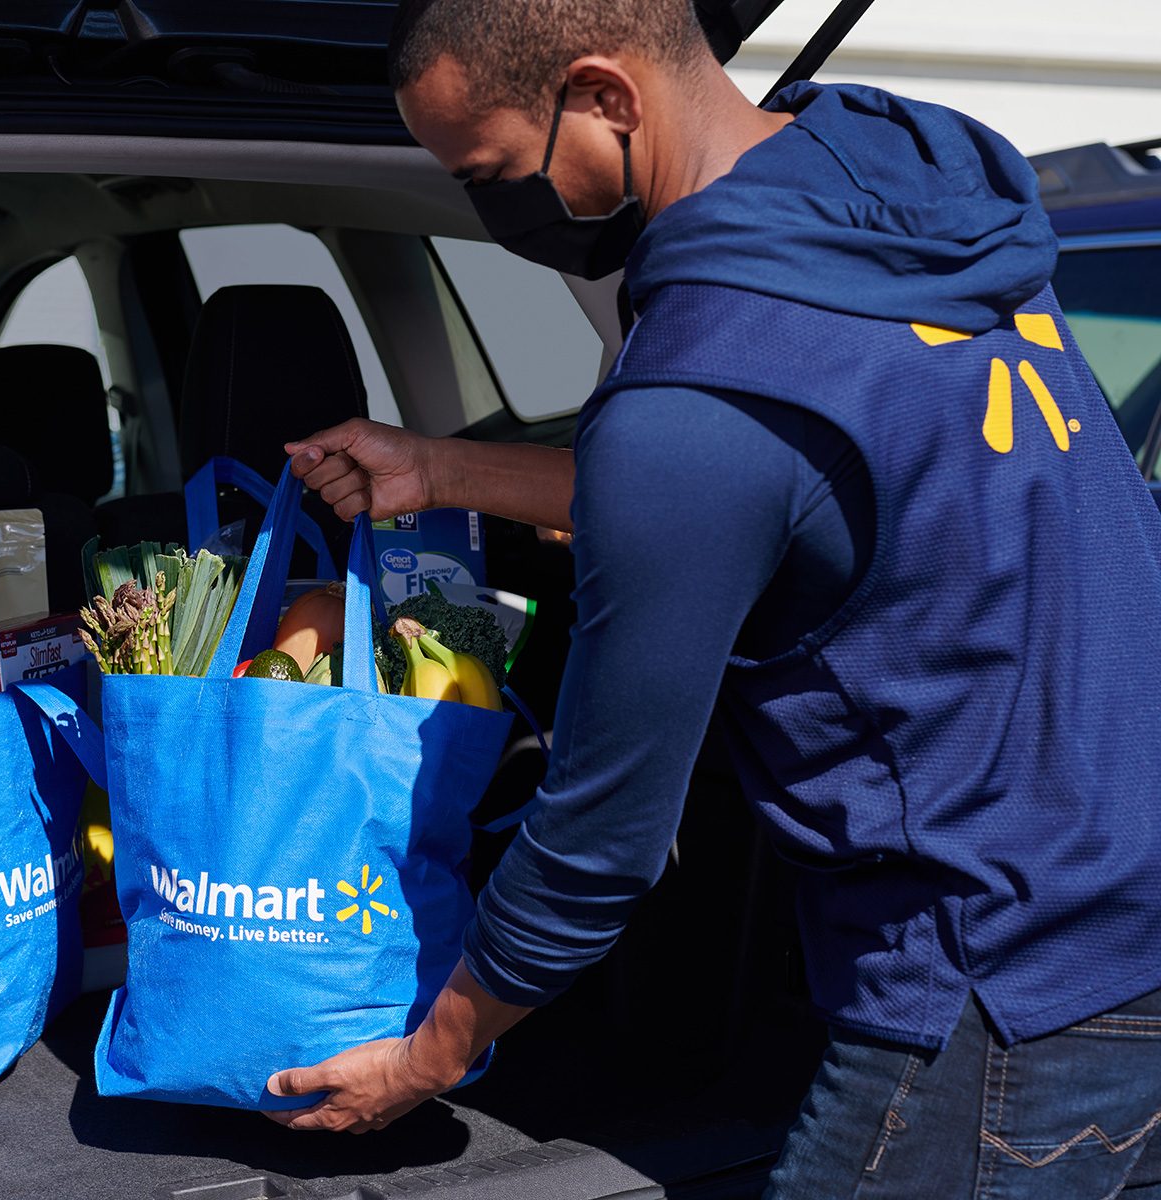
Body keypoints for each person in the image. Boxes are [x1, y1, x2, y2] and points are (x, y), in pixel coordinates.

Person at [264, 1, 1161, 1194]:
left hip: (994, 993)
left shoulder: (704, 382)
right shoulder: (901, 219)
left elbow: (599, 841)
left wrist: (426, 1057)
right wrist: (439, 470)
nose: (492, 208)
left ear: (606, 96)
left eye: (486, 173)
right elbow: (775, 489)